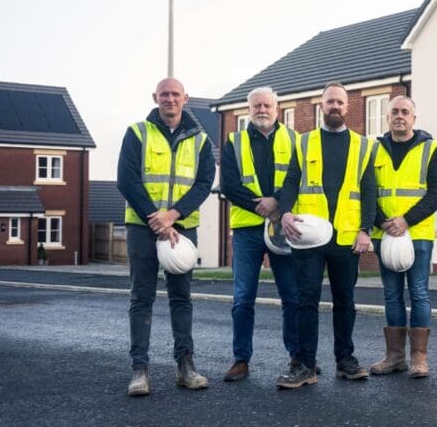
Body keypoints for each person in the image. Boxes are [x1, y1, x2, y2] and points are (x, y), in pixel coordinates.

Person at [117, 77, 215, 396]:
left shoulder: (200, 140)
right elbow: (126, 180)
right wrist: (156, 218)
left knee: (181, 297)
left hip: (182, 227)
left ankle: (185, 366)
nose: (170, 99)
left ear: (185, 98)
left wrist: (173, 216)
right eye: (164, 95)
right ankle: (139, 370)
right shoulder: (137, 133)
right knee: (141, 296)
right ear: (155, 97)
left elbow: (203, 184)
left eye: (175, 94)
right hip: (142, 226)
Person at [276, 82, 376, 388]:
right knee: (306, 300)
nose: (335, 106)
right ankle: (305, 364)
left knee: (345, 301)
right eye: (330, 102)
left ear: (347, 108)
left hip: (346, 237)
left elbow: (370, 190)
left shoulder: (364, 145)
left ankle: (345, 360)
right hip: (309, 237)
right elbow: (292, 180)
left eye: (340, 102)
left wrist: (365, 230)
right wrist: (285, 211)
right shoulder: (304, 142)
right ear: (322, 106)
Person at [220, 87, 301, 384]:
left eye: (267, 105)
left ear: (277, 108)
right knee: (243, 298)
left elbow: (299, 179)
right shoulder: (234, 142)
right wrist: (261, 206)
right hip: (246, 229)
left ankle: (297, 357)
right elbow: (229, 185)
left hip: (283, 226)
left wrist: (278, 201)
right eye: (256, 106)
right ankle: (241, 359)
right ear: (248, 110)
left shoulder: (294, 140)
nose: (262, 110)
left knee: (291, 296)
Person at [369, 96, 437, 378]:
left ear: (414, 118)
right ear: (387, 118)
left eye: (405, 112)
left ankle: (419, 359)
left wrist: (406, 221)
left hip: (418, 234)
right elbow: (366, 192)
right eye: (395, 112)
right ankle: (395, 357)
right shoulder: (373, 150)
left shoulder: (430, 148)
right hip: (384, 233)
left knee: (419, 293)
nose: (400, 116)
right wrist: (383, 222)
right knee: (391, 295)